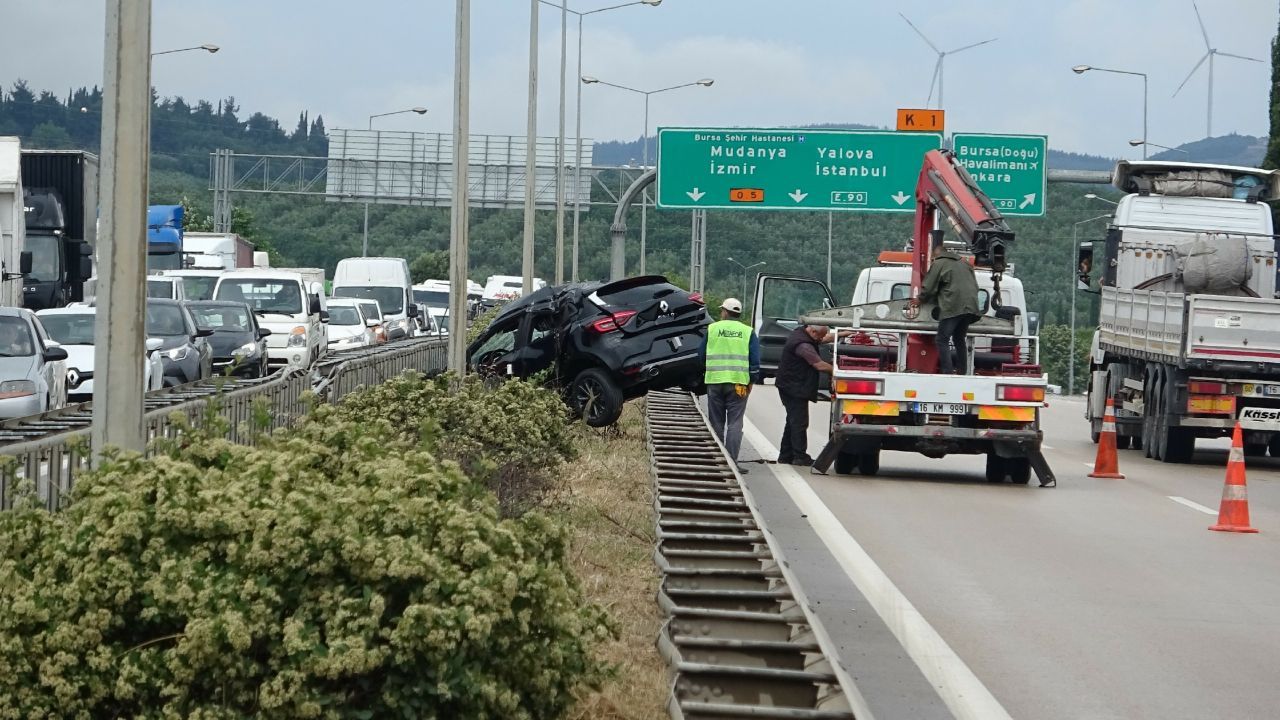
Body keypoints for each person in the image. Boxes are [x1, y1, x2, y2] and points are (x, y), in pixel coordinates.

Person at [701, 298, 760, 472]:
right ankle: (731, 463)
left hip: (715, 381)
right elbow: (755, 361)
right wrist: (752, 381)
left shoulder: (712, 329)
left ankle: (717, 462)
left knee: (716, 422)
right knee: (735, 423)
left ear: (725, 312)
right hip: (738, 383)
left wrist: (705, 370)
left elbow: (700, 354)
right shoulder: (748, 332)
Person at [913, 235, 980, 375]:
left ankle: (947, 372)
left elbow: (929, 287)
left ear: (935, 255)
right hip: (971, 307)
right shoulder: (965, 263)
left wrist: (919, 300)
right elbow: (975, 286)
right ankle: (962, 372)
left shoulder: (939, 263)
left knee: (942, 339)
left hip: (953, 306)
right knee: (959, 338)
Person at [775, 324, 833, 467]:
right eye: (819, 336)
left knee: (792, 421)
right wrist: (837, 371)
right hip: (793, 387)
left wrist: (844, 334)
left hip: (791, 385)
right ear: (813, 331)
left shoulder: (803, 334)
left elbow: (824, 338)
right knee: (799, 422)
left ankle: (785, 455)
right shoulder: (803, 345)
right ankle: (800, 456)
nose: (821, 339)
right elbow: (819, 365)